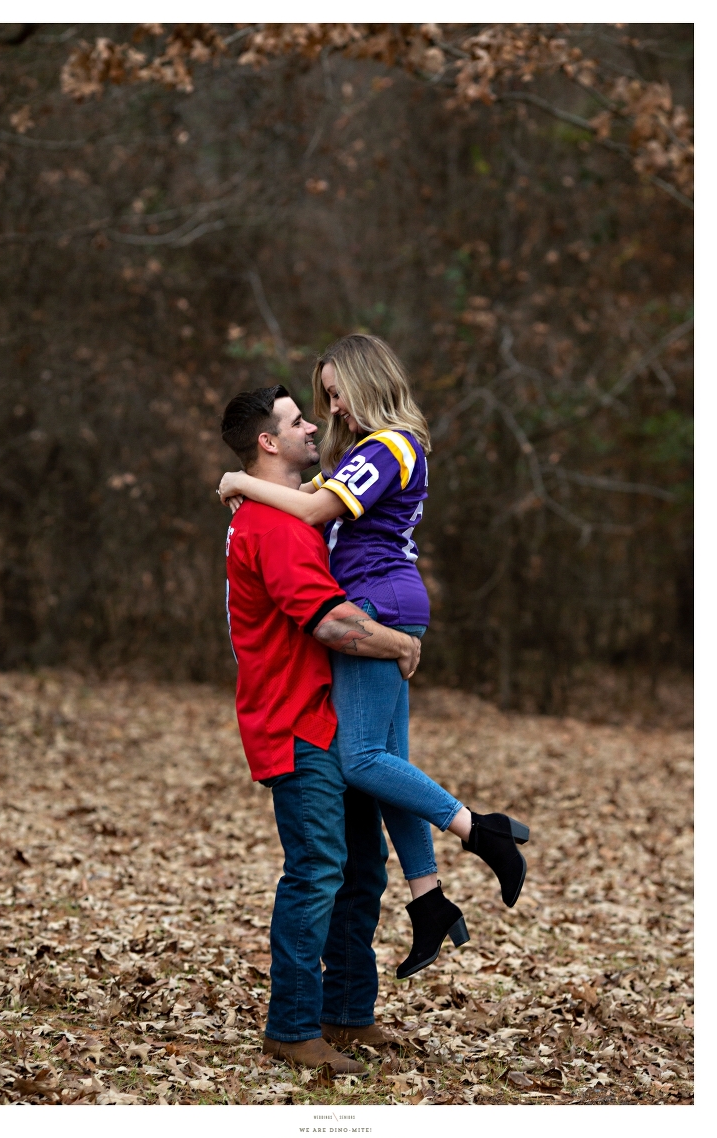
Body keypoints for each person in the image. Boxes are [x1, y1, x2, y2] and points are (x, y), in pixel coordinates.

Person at [218, 336, 530, 979]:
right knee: (386, 762)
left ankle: (481, 829)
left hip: (377, 603)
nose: (331, 408)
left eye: (337, 393)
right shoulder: (374, 449)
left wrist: (240, 479)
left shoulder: (388, 445)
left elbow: (307, 509)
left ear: (368, 382)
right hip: (386, 598)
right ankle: (428, 900)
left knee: (360, 758)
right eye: (323, 397)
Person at [220, 384, 421, 1074]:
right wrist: (398, 644)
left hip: (336, 721)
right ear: (267, 443)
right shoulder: (272, 527)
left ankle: (347, 1013)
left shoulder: (292, 516)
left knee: (362, 872)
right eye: (297, 419)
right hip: (292, 723)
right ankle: (293, 1027)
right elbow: (330, 622)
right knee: (316, 874)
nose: (314, 424)